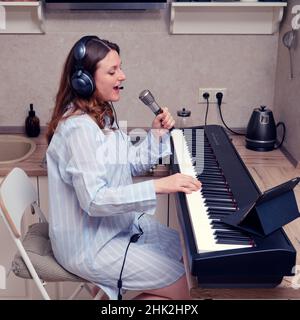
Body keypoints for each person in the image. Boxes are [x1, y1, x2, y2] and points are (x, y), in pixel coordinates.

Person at [46, 35, 201, 300]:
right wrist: (159, 185)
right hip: (89, 246)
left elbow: (126, 163)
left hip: (114, 227)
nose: (123, 76)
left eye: (120, 67)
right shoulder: (77, 129)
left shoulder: (100, 115)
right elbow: (94, 200)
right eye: (112, 71)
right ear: (84, 81)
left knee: (186, 253)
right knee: (185, 286)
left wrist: (155, 136)